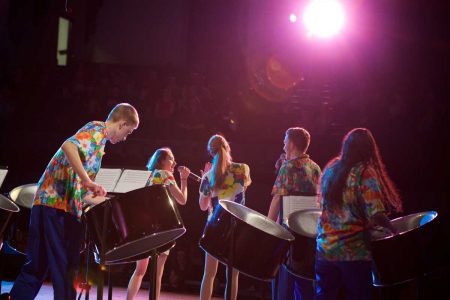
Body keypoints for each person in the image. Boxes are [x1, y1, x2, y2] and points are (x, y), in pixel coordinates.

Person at [10, 103, 139, 300]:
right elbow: (68, 145)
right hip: (56, 207)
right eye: (128, 132)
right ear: (122, 124)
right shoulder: (97, 130)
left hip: (49, 203)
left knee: (36, 267)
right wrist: (88, 181)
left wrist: (105, 199)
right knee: (65, 268)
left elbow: (79, 189)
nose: (125, 138)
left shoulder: (99, 143)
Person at [315, 128, 402, 300]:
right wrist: (393, 229)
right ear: (368, 149)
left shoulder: (332, 169)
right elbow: (376, 213)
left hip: (325, 250)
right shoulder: (364, 172)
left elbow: (323, 205)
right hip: (352, 252)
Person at [126, 148, 190, 300]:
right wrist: (184, 179)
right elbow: (182, 200)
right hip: (162, 227)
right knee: (158, 273)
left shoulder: (148, 176)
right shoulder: (166, 174)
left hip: (144, 226)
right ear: (161, 161)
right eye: (171, 159)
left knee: (140, 271)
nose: (174, 162)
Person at [268, 127, 321, 300]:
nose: (283, 143)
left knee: (285, 278)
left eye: (285, 139)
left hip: (289, 228)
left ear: (291, 143)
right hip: (310, 230)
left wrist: (267, 226)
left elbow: (277, 198)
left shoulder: (287, 167)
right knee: (304, 277)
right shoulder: (315, 168)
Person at [199, 134, 251, 300]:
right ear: (228, 147)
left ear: (211, 153)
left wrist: (204, 179)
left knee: (209, 274)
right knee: (232, 276)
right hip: (236, 226)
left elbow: (203, 206)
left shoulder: (208, 176)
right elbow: (242, 193)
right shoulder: (243, 169)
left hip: (215, 225)